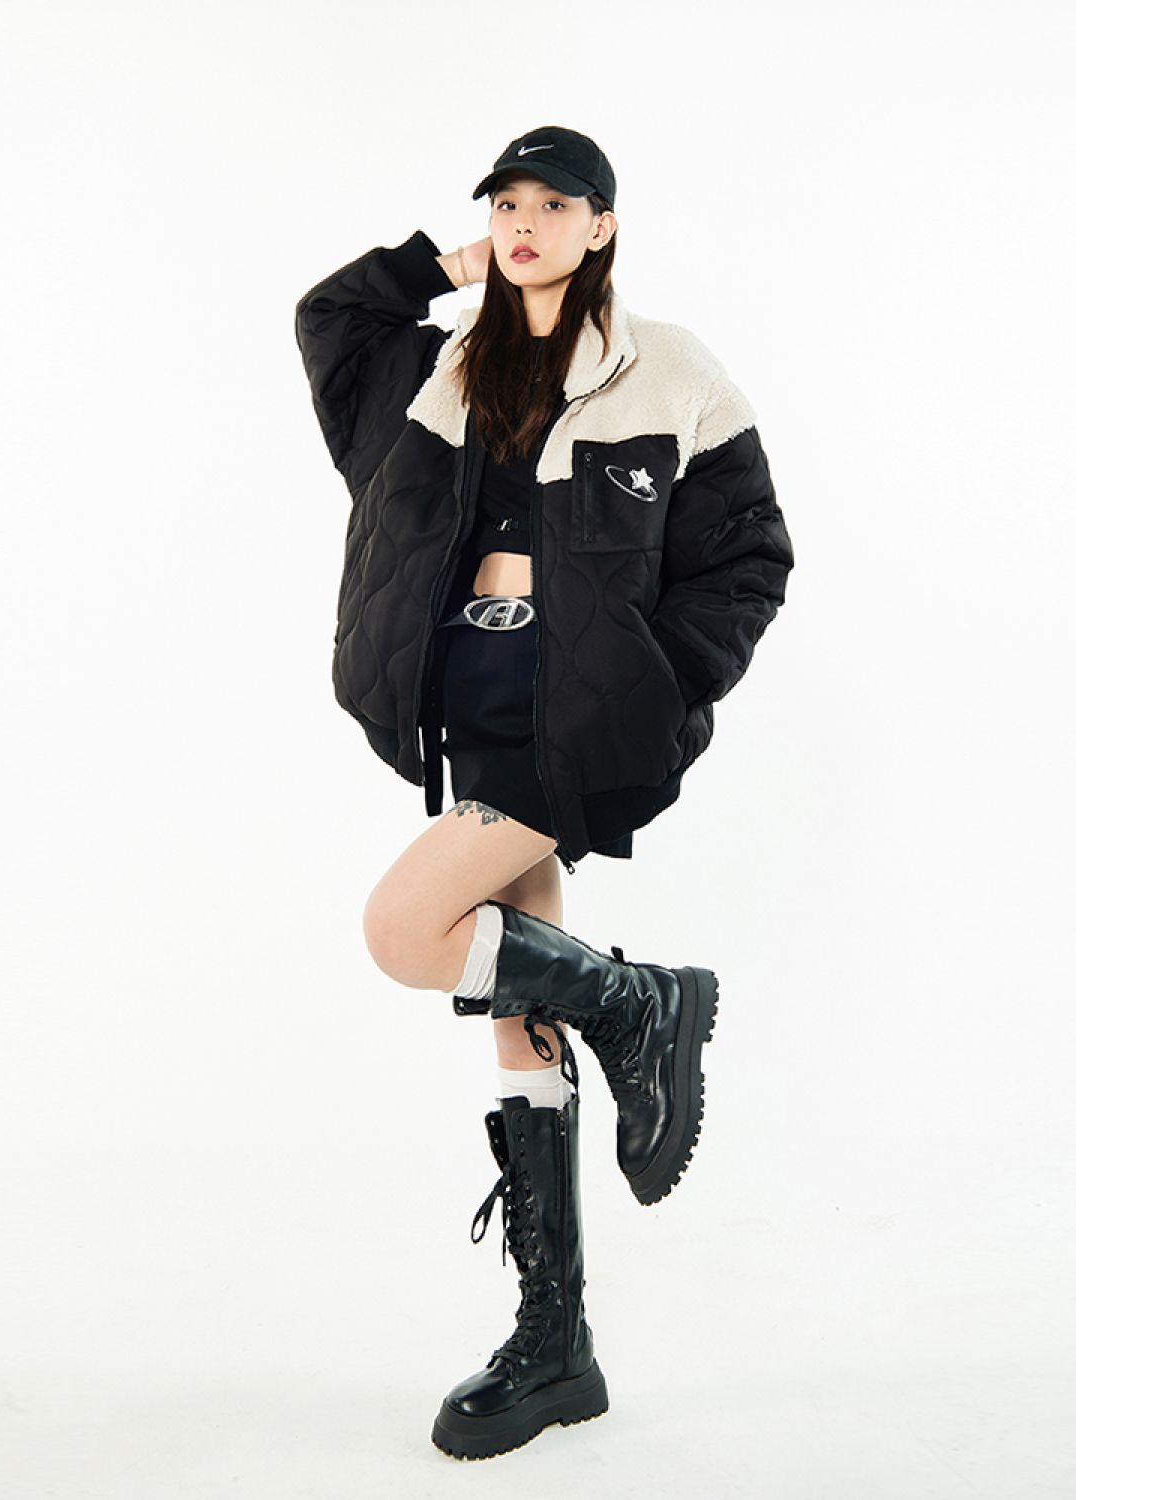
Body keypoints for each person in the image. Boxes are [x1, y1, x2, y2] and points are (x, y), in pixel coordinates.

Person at [293, 125, 794, 1460]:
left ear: (601, 225)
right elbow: (331, 316)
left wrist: (655, 686)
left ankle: (641, 1000)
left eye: (553, 204)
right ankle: (555, 1339)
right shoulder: (441, 368)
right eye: (507, 203)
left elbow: (749, 556)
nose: (524, 223)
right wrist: (438, 267)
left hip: (572, 722)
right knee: (519, 1009)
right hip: (467, 705)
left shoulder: (668, 370)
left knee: (406, 932)